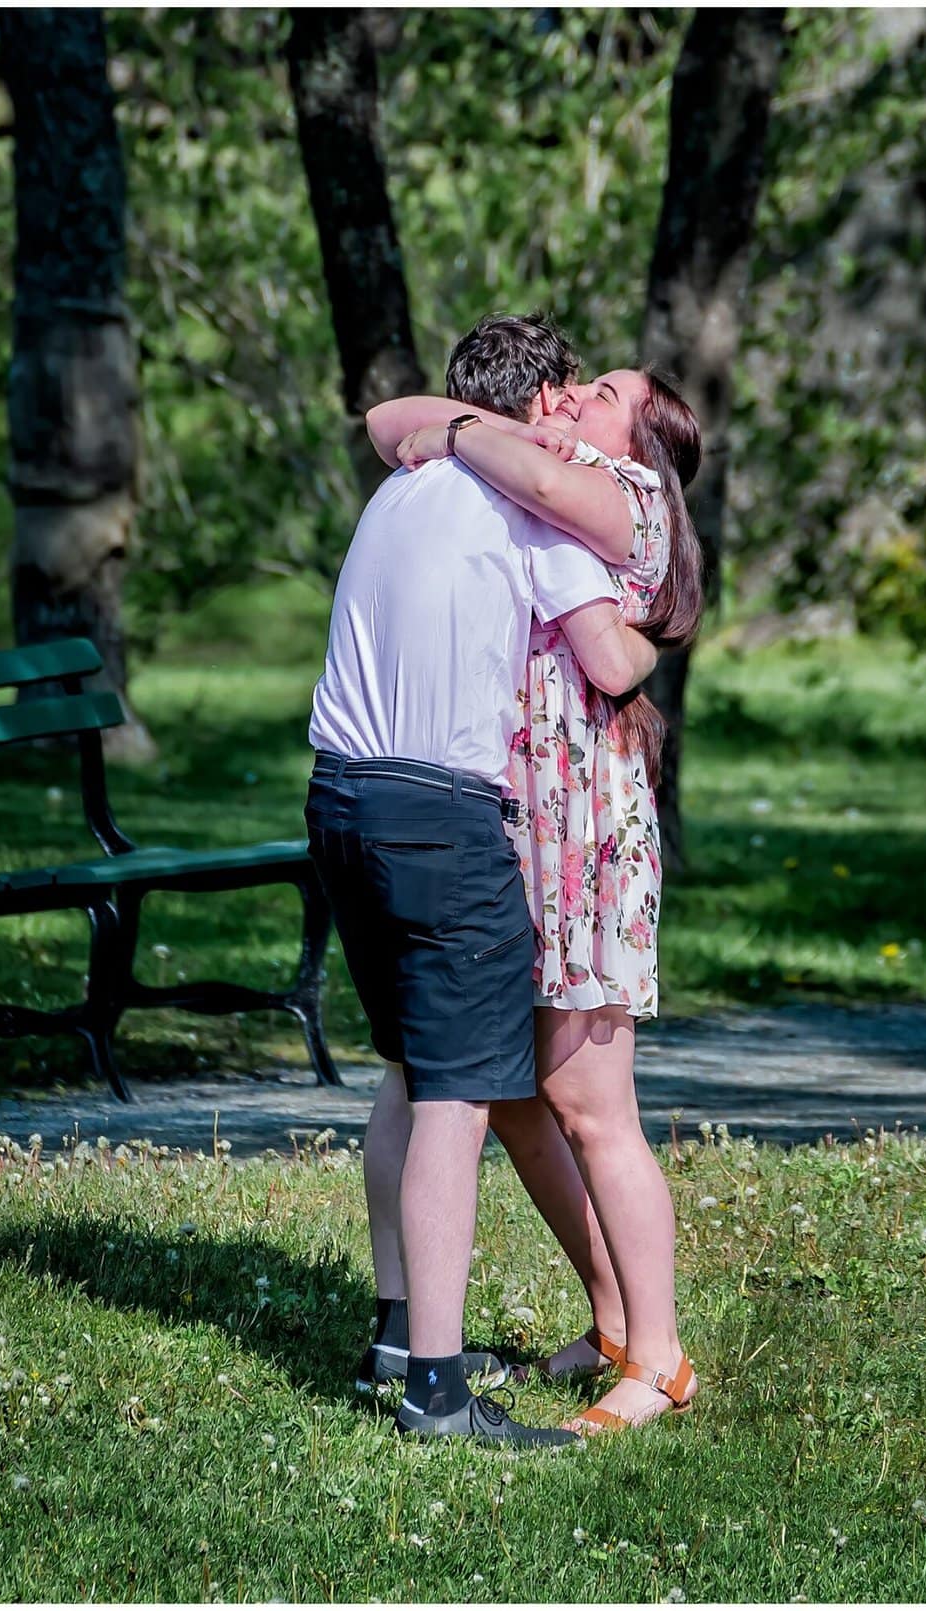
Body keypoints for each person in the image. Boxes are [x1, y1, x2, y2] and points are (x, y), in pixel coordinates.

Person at [306, 314, 658, 1447]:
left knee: (409, 1075)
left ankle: (394, 1333)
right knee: (458, 1102)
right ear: (545, 402)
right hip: (442, 818)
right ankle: (437, 1391)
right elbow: (608, 658)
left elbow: (391, 422)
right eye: (574, 393)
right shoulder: (531, 500)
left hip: (338, 799)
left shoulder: (403, 486)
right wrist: (661, 640)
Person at [367, 355, 705, 1431]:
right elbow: (383, 420)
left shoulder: (632, 499)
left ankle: (657, 1361)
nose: (574, 404)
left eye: (604, 396)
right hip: (520, 821)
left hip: (586, 832)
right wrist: (474, 425)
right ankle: (610, 1318)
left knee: (596, 1109)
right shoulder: (538, 487)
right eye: (571, 390)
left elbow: (612, 661)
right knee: (511, 1096)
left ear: (643, 443)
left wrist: (466, 433)